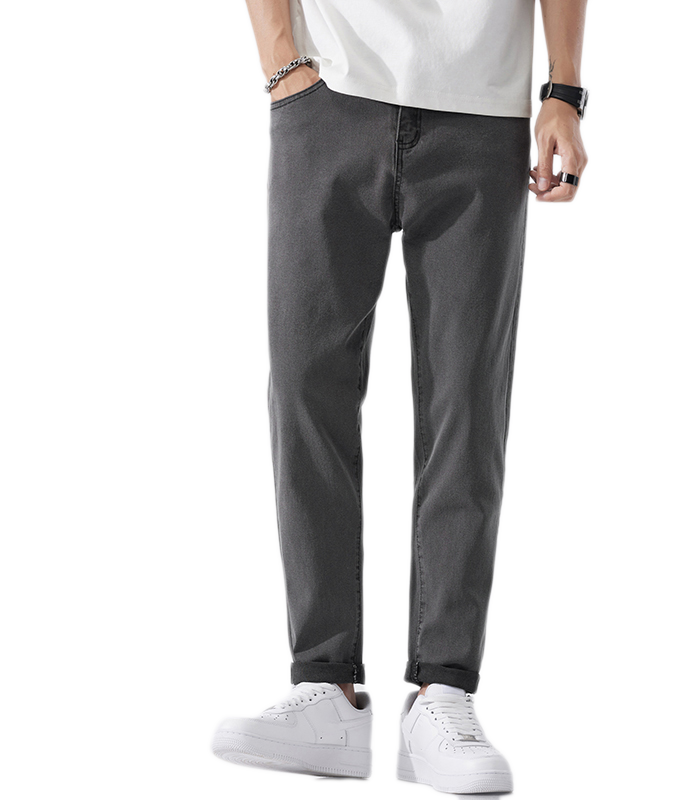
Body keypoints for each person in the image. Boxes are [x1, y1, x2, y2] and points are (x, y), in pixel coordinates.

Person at [208, 0, 590, 793]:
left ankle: (443, 689)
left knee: (467, 401)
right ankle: (326, 686)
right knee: (305, 386)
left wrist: (563, 89)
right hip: (326, 93)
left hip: (481, 106)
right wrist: (281, 63)